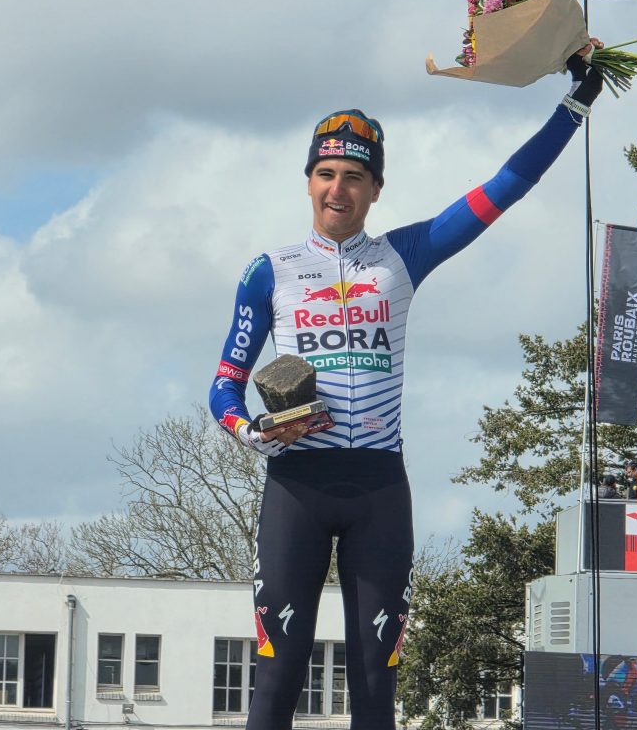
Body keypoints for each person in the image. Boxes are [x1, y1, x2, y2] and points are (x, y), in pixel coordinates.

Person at [208, 45, 605, 730]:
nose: (338, 189)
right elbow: (224, 385)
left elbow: (506, 186)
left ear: (376, 189)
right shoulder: (269, 270)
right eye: (326, 174)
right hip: (296, 487)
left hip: (379, 491)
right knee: (277, 675)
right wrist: (252, 431)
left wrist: (575, 105)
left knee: (375, 681)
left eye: (354, 177)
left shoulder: (403, 255)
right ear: (308, 182)